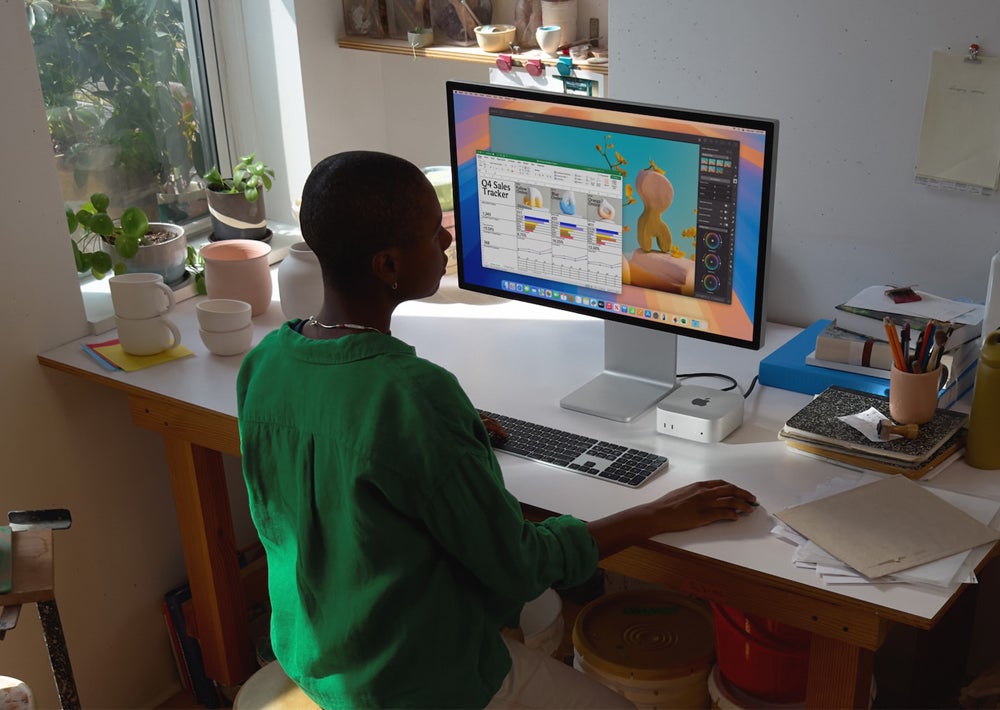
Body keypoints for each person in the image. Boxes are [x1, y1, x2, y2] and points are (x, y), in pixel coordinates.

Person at [236, 150, 758, 709]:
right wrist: (658, 512)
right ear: (387, 266)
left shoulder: (266, 361)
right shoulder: (413, 394)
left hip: (317, 650)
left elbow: (348, 461)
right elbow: (520, 565)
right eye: (430, 231)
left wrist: (450, 439)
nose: (445, 240)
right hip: (409, 685)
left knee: (536, 619)